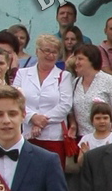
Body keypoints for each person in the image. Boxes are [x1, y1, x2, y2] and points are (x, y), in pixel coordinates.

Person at [14, 35, 75, 166]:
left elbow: (65, 105)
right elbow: (15, 101)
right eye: (47, 51)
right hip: (28, 136)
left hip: (53, 137)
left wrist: (41, 122)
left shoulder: (64, 76)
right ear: (37, 51)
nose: (50, 55)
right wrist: (32, 117)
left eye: (54, 52)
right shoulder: (22, 74)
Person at [68, 42, 112, 141]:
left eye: (80, 59)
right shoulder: (75, 83)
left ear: (92, 60)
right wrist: (73, 124)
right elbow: (70, 109)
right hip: (82, 139)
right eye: (76, 59)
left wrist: (111, 134)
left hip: (106, 138)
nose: (76, 62)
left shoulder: (109, 81)